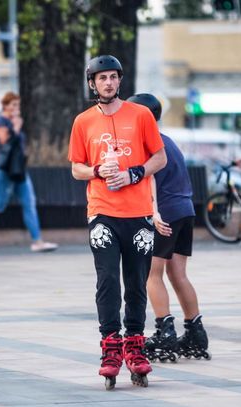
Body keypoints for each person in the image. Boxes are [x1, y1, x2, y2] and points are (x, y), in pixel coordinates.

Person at [68, 56, 167, 388]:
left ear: (120, 80)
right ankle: (110, 347)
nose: (108, 83)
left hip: (138, 213)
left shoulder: (140, 115)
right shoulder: (82, 121)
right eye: (102, 78)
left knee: (137, 282)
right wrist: (97, 171)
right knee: (108, 280)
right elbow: (76, 168)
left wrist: (134, 173)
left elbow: (160, 157)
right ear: (92, 83)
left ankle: (135, 346)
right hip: (102, 211)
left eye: (113, 77)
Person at [126, 94, 211, 363]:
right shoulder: (168, 141)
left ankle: (164, 332)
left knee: (151, 275)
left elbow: (147, 180)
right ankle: (196, 333)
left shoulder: (146, 144)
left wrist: (152, 213)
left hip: (164, 214)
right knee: (178, 275)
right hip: (186, 210)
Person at [0, 92, 57, 253]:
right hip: (5, 170)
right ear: (5, 106)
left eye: (17, 105)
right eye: (13, 105)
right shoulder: (1, 121)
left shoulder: (12, 121)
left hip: (18, 169)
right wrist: (16, 127)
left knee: (29, 202)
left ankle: (37, 241)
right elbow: (4, 142)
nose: (16, 108)